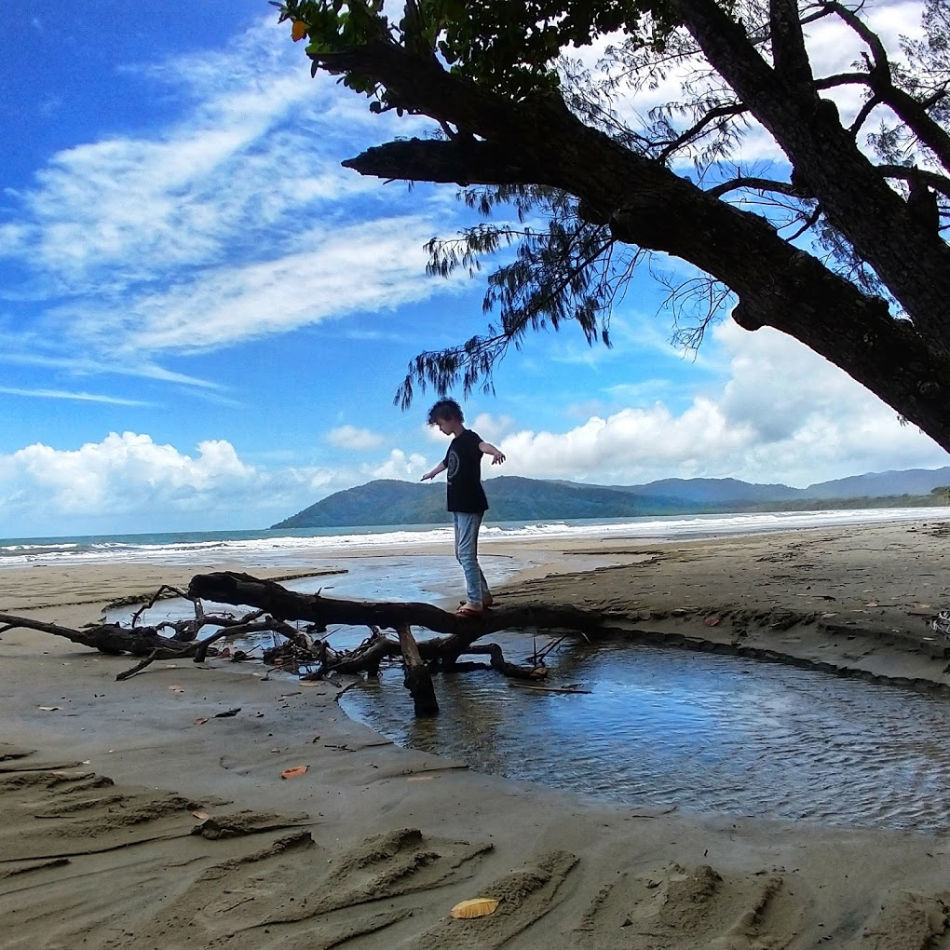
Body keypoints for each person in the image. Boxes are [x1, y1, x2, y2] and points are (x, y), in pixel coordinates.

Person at [420, 398, 506, 617]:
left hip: (470, 503)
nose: (440, 428)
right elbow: (446, 462)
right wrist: (432, 473)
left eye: (441, 423)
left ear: (452, 419)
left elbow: (482, 445)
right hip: (458, 505)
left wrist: (495, 451)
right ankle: (483, 595)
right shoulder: (455, 443)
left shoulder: (469, 438)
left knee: (467, 554)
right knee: (461, 554)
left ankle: (475, 602)